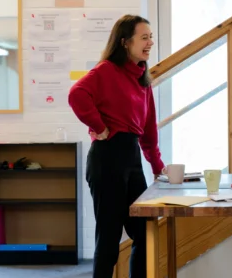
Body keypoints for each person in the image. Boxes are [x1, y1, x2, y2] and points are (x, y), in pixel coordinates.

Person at [68, 14, 166, 278]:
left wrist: (157, 166)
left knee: (144, 232)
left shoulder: (142, 79)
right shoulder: (106, 70)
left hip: (131, 158)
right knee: (109, 239)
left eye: (151, 37)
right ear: (125, 42)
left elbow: (148, 129)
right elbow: (76, 95)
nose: (150, 43)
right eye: (144, 37)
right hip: (107, 157)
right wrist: (98, 127)